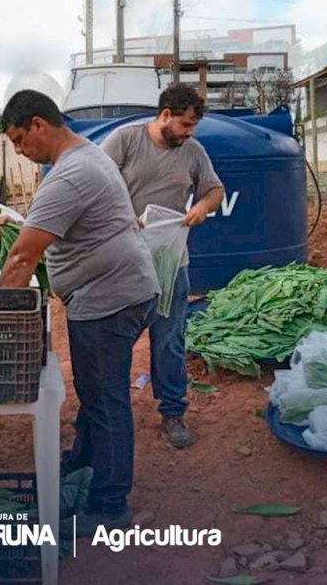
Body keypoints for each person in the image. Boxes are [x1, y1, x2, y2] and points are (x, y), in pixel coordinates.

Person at [0, 89, 160, 536]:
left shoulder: (70, 175)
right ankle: (84, 461)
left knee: (106, 402)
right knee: (94, 391)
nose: (21, 152)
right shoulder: (83, 157)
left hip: (110, 300)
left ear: (39, 125)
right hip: (114, 293)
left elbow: (22, 259)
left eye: (19, 140)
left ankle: (109, 505)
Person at [101, 84, 224, 448]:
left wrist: (202, 208)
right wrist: (124, 216)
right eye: (185, 125)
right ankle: (103, 417)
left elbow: (214, 190)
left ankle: (173, 413)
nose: (189, 133)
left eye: (194, 127)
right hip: (122, 260)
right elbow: (95, 185)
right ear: (166, 115)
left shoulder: (193, 151)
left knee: (169, 340)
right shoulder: (124, 141)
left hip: (170, 261)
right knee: (112, 340)